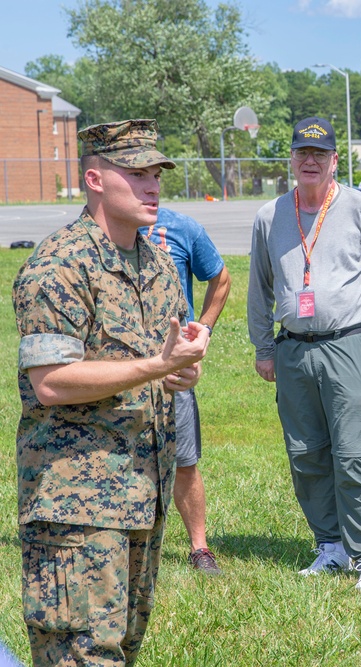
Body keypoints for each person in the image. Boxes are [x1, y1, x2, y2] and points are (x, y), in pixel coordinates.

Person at [13, 119, 209, 666]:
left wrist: (180, 373)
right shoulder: (58, 266)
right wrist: (155, 365)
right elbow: (50, 382)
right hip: (76, 501)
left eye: (157, 175)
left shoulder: (158, 267)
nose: (153, 187)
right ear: (96, 179)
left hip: (143, 492)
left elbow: (162, 367)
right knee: (82, 656)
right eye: (138, 174)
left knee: (122, 648)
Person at [247, 117, 361, 591]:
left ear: (336, 160)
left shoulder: (359, 208)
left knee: (354, 452)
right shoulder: (269, 215)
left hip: (347, 344)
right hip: (292, 349)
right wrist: (264, 347)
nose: (311, 161)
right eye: (302, 153)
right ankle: (331, 546)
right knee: (306, 454)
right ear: (291, 160)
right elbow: (259, 289)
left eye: (320, 154)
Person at [141, 208, 232, 575]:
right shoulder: (101, 232)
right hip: (118, 367)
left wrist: (204, 328)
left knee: (185, 461)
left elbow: (221, 279)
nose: (146, 185)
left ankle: (200, 548)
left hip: (173, 369)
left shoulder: (182, 227)